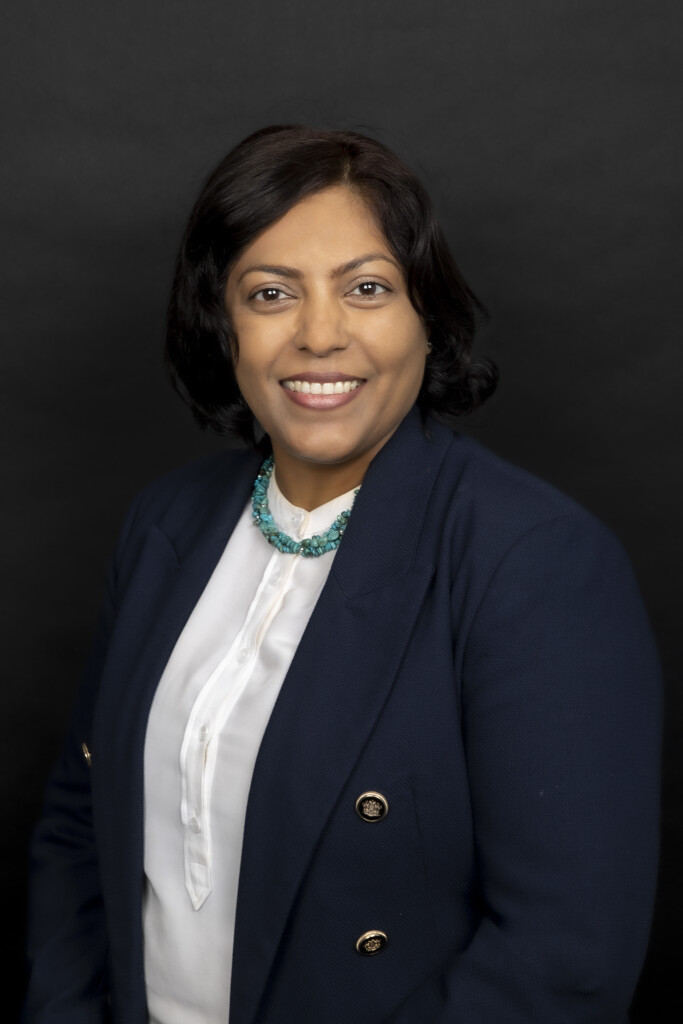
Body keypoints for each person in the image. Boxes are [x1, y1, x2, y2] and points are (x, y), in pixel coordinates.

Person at [22, 125, 661, 1024]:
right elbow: (80, 820)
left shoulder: (533, 560)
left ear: (426, 315)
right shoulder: (166, 522)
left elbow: (563, 959)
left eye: (366, 288)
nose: (318, 336)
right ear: (222, 323)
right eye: (270, 293)